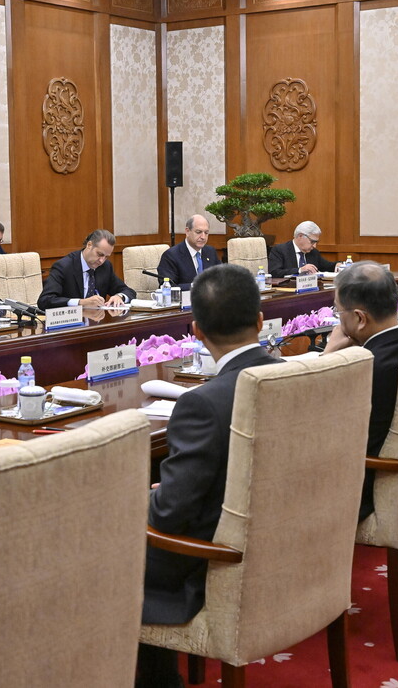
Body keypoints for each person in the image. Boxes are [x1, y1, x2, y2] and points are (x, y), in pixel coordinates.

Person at [139, 265, 279, 687]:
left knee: (96, 549)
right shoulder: (293, 374)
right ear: (259, 321)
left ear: (196, 330)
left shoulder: (203, 404)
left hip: (216, 560)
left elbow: (167, 517)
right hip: (279, 539)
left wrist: (134, 502)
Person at [322, 261, 398, 521]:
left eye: (339, 312)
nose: (338, 320)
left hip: (358, 487)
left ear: (359, 317)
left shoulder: (365, 368)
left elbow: (319, 427)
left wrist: (327, 355)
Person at [37, 229, 135, 310]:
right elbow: (45, 301)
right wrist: (81, 302)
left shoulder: (105, 267)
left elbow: (129, 291)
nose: (101, 261)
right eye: (100, 254)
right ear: (89, 245)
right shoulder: (64, 266)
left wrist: (119, 296)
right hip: (70, 326)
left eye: (106, 257)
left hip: (97, 324)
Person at [156, 214, 219, 289]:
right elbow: (168, 287)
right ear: (187, 231)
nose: (203, 237)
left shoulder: (210, 252)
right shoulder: (171, 255)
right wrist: (196, 286)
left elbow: (221, 277)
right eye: (198, 232)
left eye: (206, 233)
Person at [267, 221, 338, 277]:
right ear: (300, 236)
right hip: (288, 290)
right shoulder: (280, 250)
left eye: (316, 242)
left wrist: (338, 265)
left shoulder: (313, 252)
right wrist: (300, 270)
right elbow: (274, 273)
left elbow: (327, 266)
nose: (315, 246)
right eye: (312, 241)